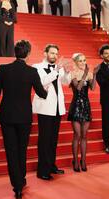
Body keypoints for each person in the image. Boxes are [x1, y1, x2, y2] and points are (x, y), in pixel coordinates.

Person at [0, 40, 48, 199]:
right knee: (22, 149)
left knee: (11, 150)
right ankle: (20, 180)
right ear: (28, 54)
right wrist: (47, 88)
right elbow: (42, 94)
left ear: (15, 53)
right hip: (23, 117)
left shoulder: (4, 69)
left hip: (7, 116)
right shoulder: (31, 72)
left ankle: (16, 184)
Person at [32, 44, 71, 180]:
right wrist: (56, 71)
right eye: (52, 53)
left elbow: (66, 82)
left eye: (56, 54)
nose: (54, 56)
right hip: (44, 108)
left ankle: (51, 166)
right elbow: (41, 83)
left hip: (57, 108)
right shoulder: (36, 67)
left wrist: (66, 72)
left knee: (53, 140)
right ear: (45, 53)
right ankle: (42, 171)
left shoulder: (58, 68)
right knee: (44, 140)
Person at [68, 53, 96, 172]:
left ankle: (83, 160)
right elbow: (78, 88)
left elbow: (93, 88)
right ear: (75, 62)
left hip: (86, 105)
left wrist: (94, 75)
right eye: (80, 61)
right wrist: (85, 74)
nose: (83, 63)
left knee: (84, 136)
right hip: (76, 106)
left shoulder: (89, 74)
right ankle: (75, 159)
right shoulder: (73, 73)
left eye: (84, 60)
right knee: (77, 135)